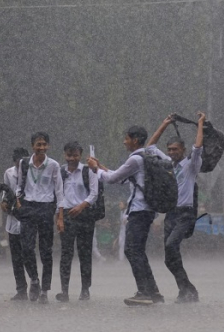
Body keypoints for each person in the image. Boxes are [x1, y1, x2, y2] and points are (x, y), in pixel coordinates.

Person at [87, 125, 164, 306]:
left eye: (126, 138)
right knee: (137, 251)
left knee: (132, 250)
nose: (124, 141)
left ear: (135, 140)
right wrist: (100, 167)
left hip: (139, 211)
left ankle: (144, 291)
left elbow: (112, 179)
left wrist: (95, 170)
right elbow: (120, 177)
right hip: (147, 210)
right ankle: (153, 292)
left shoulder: (136, 159)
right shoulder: (145, 157)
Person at [146, 112, 205, 303]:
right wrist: (164, 124)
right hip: (171, 214)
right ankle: (187, 289)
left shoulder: (191, 165)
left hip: (185, 214)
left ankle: (187, 290)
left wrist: (200, 124)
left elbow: (197, 147)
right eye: (169, 149)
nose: (172, 153)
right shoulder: (167, 164)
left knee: (171, 246)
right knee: (168, 259)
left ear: (182, 150)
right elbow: (150, 147)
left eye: (175, 149)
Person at [15, 132, 63, 304]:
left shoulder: (54, 165)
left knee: (46, 251)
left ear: (48, 146)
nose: (41, 147)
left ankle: (45, 289)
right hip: (28, 207)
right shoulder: (24, 163)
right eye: (38, 144)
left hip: (45, 209)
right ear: (32, 146)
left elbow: (59, 191)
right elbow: (19, 185)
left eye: (44, 144)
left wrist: (60, 216)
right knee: (26, 248)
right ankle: (34, 279)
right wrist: (18, 201)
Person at [55, 141, 99, 302]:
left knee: (85, 254)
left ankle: (85, 289)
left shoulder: (88, 171)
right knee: (66, 254)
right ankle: (64, 291)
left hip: (85, 215)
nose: (71, 158)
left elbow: (94, 193)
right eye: (69, 155)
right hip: (66, 215)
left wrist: (81, 206)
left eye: (75, 155)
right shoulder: (60, 172)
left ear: (80, 155)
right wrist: (59, 217)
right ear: (64, 155)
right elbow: (58, 196)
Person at [2, 147, 30, 301]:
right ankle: (21, 289)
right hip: (13, 221)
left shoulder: (32, 172)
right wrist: (5, 203)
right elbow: (6, 193)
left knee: (28, 255)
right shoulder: (8, 173)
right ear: (14, 162)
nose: (22, 166)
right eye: (19, 163)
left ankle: (34, 284)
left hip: (28, 221)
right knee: (16, 258)